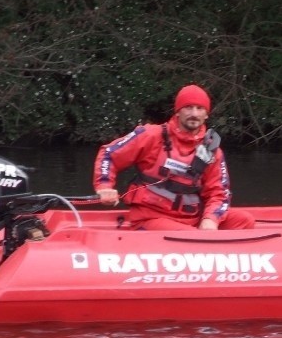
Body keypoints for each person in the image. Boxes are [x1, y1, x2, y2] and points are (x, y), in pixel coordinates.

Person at [93, 84, 255, 230]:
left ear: (206, 114)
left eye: (199, 108)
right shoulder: (151, 135)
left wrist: (210, 219)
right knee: (193, 237)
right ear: (178, 112)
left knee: (244, 221)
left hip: (191, 218)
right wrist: (105, 187)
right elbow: (109, 154)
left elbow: (219, 193)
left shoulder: (211, 150)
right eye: (188, 108)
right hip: (151, 218)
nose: (194, 114)